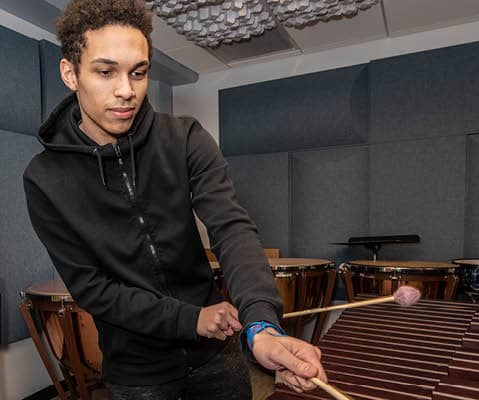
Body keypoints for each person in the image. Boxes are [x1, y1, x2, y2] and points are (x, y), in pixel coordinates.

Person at [23, 1, 327, 398]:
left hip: (217, 359)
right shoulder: (44, 178)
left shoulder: (184, 138)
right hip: (138, 376)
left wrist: (261, 324)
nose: (125, 91)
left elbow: (231, 229)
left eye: (139, 72)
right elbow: (93, 288)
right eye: (105, 71)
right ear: (70, 73)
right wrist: (190, 320)